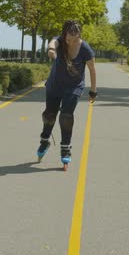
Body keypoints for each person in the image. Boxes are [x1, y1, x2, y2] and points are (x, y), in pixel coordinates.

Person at [37, 20, 97, 170]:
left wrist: (93, 91)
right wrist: (52, 51)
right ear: (64, 34)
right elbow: (52, 44)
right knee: (49, 115)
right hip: (55, 85)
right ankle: (45, 140)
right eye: (68, 39)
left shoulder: (85, 48)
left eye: (74, 40)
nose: (70, 42)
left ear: (79, 36)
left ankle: (65, 149)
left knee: (66, 116)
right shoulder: (59, 40)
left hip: (73, 87)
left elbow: (92, 70)